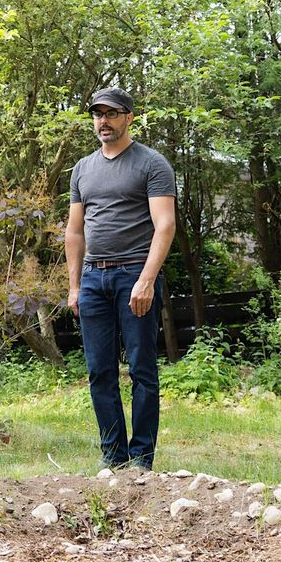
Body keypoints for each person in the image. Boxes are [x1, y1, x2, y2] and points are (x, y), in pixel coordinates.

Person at [65, 87, 176, 472]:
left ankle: (142, 460)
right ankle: (114, 458)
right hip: (94, 278)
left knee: (142, 369)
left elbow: (165, 226)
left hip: (134, 273)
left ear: (129, 116)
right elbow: (75, 232)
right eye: (98, 114)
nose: (104, 121)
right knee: (100, 371)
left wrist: (146, 280)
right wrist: (74, 285)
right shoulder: (82, 169)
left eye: (111, 114)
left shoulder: (151, 164)